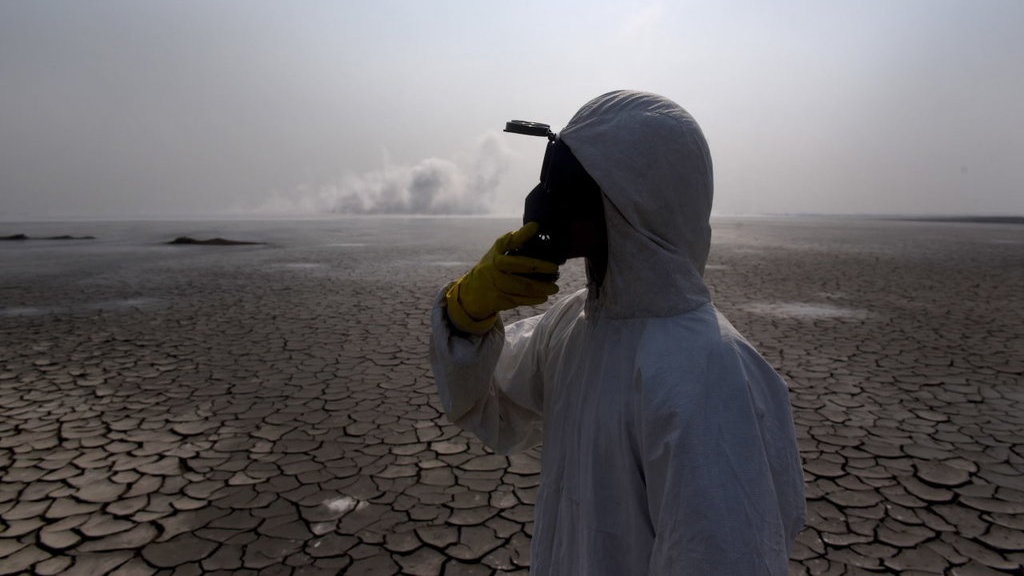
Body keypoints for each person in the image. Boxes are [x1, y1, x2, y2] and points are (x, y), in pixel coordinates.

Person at [430, 90, 805, 575]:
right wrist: (467, 314)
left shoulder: (707, 373)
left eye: (568, 182)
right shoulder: (574, 325)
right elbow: (494, 408)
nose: (546, 200)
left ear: (635, 203)